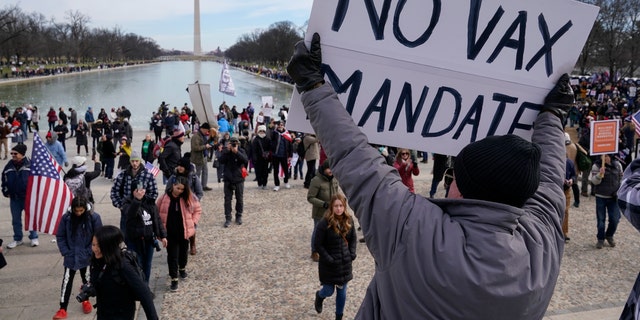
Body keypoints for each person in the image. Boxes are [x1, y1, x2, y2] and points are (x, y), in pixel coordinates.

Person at [287, 33, 570, 318]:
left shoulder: (414, 228)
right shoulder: (541, 243)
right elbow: (550, 180)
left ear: (460, 187)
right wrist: (553, 116)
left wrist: (311, 85)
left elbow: (354, 157)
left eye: (454, 174)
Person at [89, 225, 159, 320]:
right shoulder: (96, 261)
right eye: (93, 245)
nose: (95, 249)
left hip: (121, 315)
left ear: (109, 247)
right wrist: (91, 290)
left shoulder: (123, 265)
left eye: (99, 246)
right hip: (103, 313)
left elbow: (144, 293)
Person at [53, 197, 102, 320]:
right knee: (66, 282)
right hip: (71, 256)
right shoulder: (66, 218)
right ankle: (62, 308)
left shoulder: (94, 218)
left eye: (81, 210)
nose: (79, 213)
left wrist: (90, 252)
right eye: (77, 211)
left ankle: (86, 300)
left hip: (87, 256)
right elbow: (60, 236)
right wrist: (65, 251)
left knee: (87, 279)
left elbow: (99, 236)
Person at [313, 194, 357, 320]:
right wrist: (329, 258)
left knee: (342, 293)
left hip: (344, 264)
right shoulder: (324, 223)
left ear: (344, 206)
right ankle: (320, 296)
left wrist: (352, 253)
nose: (338, 208)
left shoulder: (349, 220)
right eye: (336, 206)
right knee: (328, 290)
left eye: (341, 206)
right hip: (329, 265)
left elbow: (353, 238)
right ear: (332, 207)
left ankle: (339, 317)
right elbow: (318, 244)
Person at [157, 176, 201, 291]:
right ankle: (174, 278)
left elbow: (197, 210)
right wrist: (160, 231)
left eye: (182, 189)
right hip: (170, 233)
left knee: (183, 254)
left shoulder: (188, 198)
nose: (180, 191)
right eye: (178, 188)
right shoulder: (164, 198)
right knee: (172, 256)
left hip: (184, 232)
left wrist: (193, 222)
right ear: (173, 186)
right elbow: (156, 212)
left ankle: (182, 268)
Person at [122, 177, 167, 284]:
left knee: (147, 264)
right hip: (135, 240)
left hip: (149, 239)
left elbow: (157, 219)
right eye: (137, 190)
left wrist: (163, 235)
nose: (140, 192)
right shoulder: (127, 203)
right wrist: (136, 200)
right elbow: (130, 214)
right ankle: (140, 286)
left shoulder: (150, 202)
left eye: (142, 190)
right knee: (137, 264)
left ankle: (145, 286)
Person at [111, 151, 159, 239]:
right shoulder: (123, 175)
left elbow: (154, 193)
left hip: (143, 212)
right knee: (125, 236)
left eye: (137, 161)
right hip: (127, 211)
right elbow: (114, 191)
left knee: (144, 236)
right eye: (133, 161)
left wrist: (145, 203)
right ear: (130, 161)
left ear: (140, 161)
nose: (134, 163)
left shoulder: (148, 175)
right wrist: (120, 205)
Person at [2, 144, 39, 248]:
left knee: (31, 218)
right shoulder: (9, 166)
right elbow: (4, 179)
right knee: (16, 220)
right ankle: (18, 239)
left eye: (15, 153)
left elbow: (37, 180)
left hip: (28, 198)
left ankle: (34, 237)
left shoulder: (30, 165)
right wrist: (6, 191)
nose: (12, 155)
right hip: (14, 198)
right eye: (12, 153)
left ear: (21, 154)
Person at [307, 159, 340, 262]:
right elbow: (310, 197)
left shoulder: (334, 179)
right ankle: (314, 251)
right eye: (329, 168)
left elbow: (336, 192)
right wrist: (323, 204)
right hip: (320, 213)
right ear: (324, 169)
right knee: (317, 231)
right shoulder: (316, 180)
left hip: (333, 212)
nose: (331, 171)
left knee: (331, 231)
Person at [589, 153, 623, 249]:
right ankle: (600, 239)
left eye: (607, 156)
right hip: (601, 197)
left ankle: (609, 235)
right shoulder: (596, 166)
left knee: (615, 219)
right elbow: (594, 181)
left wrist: (619, 191)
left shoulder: (617, 165)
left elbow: (621, 179)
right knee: (601, 220)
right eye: (602, 156)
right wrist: (600, 174)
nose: (605, 157)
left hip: (613, 197)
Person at [219, 136, 248, 227]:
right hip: (228, 178)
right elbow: (221, 160)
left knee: (239, 198)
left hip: (239, 178)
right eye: (232, 143)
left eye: (235, 143)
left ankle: (239, 216)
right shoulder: (226, 151)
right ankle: (228, 217)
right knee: (227, 199)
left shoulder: (241, 151)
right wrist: (227, 151)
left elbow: (245, 160)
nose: (234, 145)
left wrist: (237, 152)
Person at [191, 122, 214, 191]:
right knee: (198, 173)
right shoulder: (196, 136)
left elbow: (205, 142)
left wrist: (211, 140)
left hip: (204, 156)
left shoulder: (203, 135)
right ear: (203, 129)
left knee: (205, 171)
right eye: (207, 130)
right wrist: (205, 146)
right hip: (198, 157)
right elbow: (195, 147)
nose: (207, 132)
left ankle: (204, 185)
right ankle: (196, 186)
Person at [270, 121, 292, 191]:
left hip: (284, 155)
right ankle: (277, 184)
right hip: (275, 155)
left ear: (283, 126)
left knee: (286, 169)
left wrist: (290, 155)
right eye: (279, 125)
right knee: (275, 171)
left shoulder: (287, 134)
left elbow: (290, 146)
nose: (280, 126)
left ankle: (286, 181)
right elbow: (270, 138)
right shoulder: (274, 133)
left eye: (281, 125)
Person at [251, 125, 271, 189]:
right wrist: (254, 158)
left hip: (265, 158)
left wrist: (267, 154)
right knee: (258, 172)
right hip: (258, 158)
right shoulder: (256, 139)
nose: (262, 132)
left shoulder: (268, 139)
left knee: (265, 172)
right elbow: (253, 150)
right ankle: (260, 184)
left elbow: (270, 148)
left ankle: (265, 184)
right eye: (260, 131)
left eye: (263, 131)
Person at [563, 155, 577, 242]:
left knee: (565, 211)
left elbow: (574, 175)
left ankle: (564, 232)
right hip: (555, 189)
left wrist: (572, 180)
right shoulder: (554, 161)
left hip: (566, 190)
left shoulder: (569, 162)